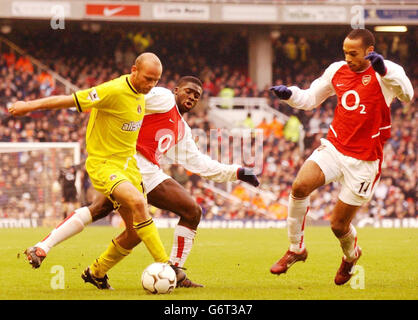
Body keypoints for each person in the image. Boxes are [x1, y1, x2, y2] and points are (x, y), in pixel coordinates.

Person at [20, 76, 260, 289]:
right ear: (176, 89)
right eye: (188, 91)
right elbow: (130, 96)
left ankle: (91, 269)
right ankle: (173, 270)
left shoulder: (182, 131)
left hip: (143, 171)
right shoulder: (163, 98)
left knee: (123, 224)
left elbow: (201, 164)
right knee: (190, 210)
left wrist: (237, 172)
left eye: (197, 95)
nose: (192, 97)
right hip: (128, 162)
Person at [9, 52, 171, 290]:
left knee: (135, 233)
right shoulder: (112, 90)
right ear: (133, 70)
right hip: (104, 165)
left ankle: (96, 272)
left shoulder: (141, 95)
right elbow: (68, 99)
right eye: (148, 78)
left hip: (129, 168)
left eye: (156, 81)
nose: (151, 85)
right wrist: (27, 106)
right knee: (138, 202)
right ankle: (166, 265)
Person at [269, 29, 413, 285]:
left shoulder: (387, 71)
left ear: (369, 51)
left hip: (364, 161)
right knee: (300, 186)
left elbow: (407, 95)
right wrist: (290, 94)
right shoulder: (337, 70)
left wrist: (384, 71)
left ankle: (350, 255)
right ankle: (296, 249)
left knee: (338, 226)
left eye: (353, 53)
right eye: (345, 52)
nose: (347, 57)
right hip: (335, 147)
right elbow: (311, 98)